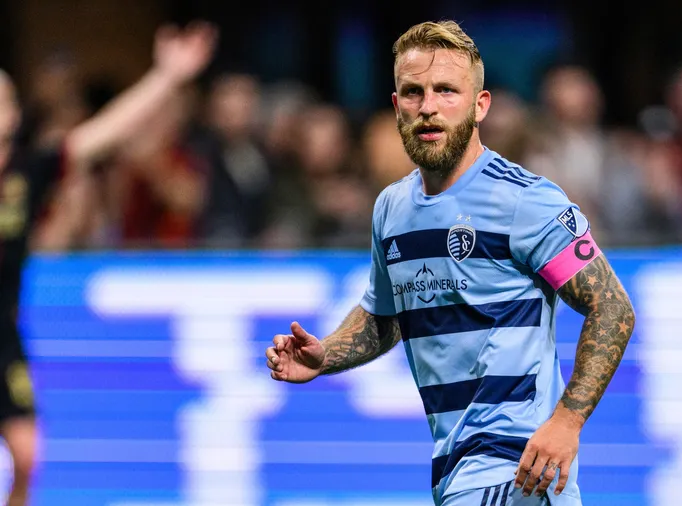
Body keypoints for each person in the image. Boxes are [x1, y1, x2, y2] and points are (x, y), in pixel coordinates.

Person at [265, 20, 635, 505]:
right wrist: (326, 354)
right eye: (413, 92)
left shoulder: (524, 200)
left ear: (480, 105)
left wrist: (567, 422)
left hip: (514, 469)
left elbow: (612, 307)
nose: (428, 106)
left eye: (446, 90)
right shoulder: (392, 209)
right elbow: (386, 316)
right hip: (458, 471)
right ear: (396, 106)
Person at [0, 21, 216, 505]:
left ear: (13, 115)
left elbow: (102, 135)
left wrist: (166, 77)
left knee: (27, 453)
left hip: (3, 336)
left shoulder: (28, 173)